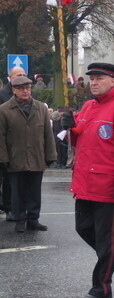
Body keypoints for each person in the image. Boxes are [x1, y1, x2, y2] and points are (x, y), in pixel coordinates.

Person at [60, 62, 114, 298]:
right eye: (92, 79)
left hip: (109, 184)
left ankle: (101, 288)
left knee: (106, 240)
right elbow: (82, 137)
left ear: (113, 80)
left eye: (99, 78)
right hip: (86, 181)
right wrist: (71, 128)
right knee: (84, 229)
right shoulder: (89, 106)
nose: (94, 83)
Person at [0, 76, 57, 232]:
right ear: (14, 90)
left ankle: (33, 219)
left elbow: (48, 134)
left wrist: (51, 155)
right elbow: (1, 137)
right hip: (15, 157)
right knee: (17, 192)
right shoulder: (4, 110)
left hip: (36, 156)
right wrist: (3, 158)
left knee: (34, 191)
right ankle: (19, 219)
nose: (25, 91)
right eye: (21, 89)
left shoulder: (40, 108)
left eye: (27, 88)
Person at [0, 65, 26, 218]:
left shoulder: (30, 94)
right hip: (5, 142)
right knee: (5, 177)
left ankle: (14, 207)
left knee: (16, 180)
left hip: (21, 143)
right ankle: (7, 205)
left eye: (23, 74)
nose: (21, 77)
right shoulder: (2, 95)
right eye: (18, 75)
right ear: (10, 78)